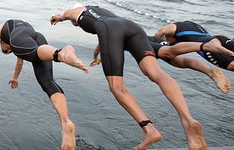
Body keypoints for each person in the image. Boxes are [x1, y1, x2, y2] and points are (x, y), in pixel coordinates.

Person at [50, 5, 208, 150]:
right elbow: (103, 43)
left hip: (109, 30)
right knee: (157, 74)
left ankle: (149, 129)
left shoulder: (77, 11)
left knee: (117, 87)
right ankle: (188, 119)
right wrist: (96, 57)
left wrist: (59, 17)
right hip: (133, 28)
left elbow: (67, 15)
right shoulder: (102, 12)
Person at [0, 19, 89, 150]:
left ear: (2, 42)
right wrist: (15, 77)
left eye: (5, 51)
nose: (8, 52)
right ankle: (65, 121)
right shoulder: (18, 41)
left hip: (35, 45)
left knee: (34, 53)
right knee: (47, 82)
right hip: (38, 37)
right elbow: (20, 62)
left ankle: (60, 53)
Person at [91, 37, 232, 94]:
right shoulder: (118, 33)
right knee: (180, 62)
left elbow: (101, 47)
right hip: (151, 42)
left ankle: (205, 47)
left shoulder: (110, 36)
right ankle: (210, 71)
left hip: (146, 45)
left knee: (169, 53)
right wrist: (99, 58)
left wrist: (96, 57)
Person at [154, 21, 234, 71]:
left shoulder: (172, 28)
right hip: (221, 39)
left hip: (210, 46)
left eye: (170, 43)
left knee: (231, 66)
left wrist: (156, 46)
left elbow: (161, 31)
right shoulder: (190, 24)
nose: (172, 44)